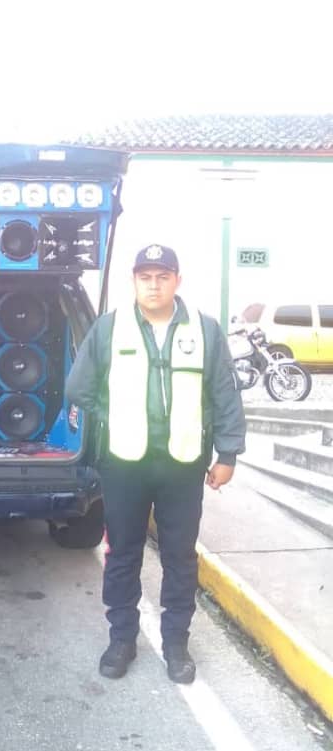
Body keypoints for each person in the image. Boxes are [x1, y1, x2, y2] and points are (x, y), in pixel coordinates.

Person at [65, 244, 245, 684]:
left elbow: (224, 393)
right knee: (122, 552)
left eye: (162, 276)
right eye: (145, 276)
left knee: (179, 556)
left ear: (177, 281)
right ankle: (122, 638)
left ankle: (176, 642)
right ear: (134, 281)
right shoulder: (110, 329)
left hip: (183, 464)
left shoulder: (204, 330)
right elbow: (78, 388)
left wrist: (228, 453)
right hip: (125, 464)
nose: (153, 284)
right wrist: (114, 418)